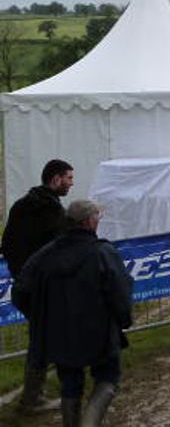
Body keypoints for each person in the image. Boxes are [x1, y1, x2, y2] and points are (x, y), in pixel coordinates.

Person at [13, 200, 133, 427]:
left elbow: (20, 291)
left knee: (70, 384)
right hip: (99, 332)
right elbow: (120, 293)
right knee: (108, 377)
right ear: (88, 222)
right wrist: (123, 320)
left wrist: (41, 318)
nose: (98, 221)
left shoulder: (46, 254)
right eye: (97, 217)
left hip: (60, 334)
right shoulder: (102, 252)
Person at [0, 159, 74, 413]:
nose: (71, 183)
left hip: (26, 284)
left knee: (47, 336)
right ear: (55, 179)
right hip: (43, 287)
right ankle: (33, 398)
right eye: (68, 178)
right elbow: (61, 249)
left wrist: (21, 274)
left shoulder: (22, 205)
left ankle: (40, 390)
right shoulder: (50, 210)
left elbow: (7, 245)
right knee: (43, 339)